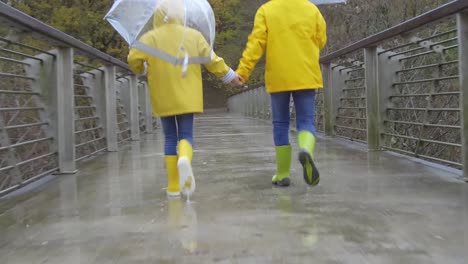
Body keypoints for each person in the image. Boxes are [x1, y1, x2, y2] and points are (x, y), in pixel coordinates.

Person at [128, 9, 242, 198]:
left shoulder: (149, 38)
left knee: (170, 137)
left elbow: (133, 59)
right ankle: (185, 158)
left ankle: (173, 186)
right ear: (181, 16)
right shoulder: (193, 36)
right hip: (187, 95)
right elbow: (212, 60)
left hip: (162, 95)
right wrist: (230, 77)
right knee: (185, 135)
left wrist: (142, 68)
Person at [236, 0, 327, 187]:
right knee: (306, 121)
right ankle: (306, 150)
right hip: (306, 73)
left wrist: (243, 72)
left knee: (280, 124)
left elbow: (256, 43)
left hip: (279, 77)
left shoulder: (266, 11)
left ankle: (283, 174)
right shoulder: (312, 9)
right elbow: (321, 40)